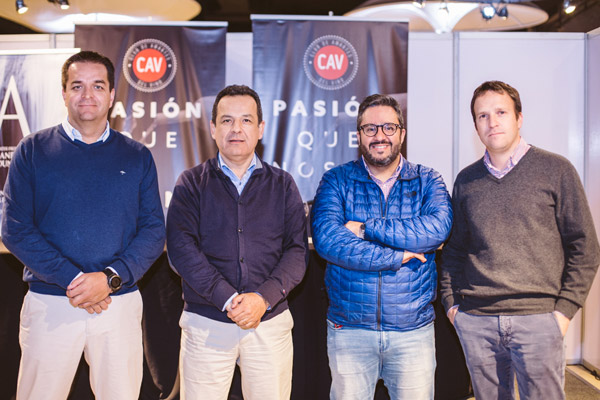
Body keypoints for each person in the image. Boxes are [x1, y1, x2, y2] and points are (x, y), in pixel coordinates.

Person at [1, 51, 166, 399]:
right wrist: (75, 281)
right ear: (63, 93)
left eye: (98, 86)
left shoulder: (137, 156)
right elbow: (15, 228)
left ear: (112, 95)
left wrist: (108, 279)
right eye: (77, 86)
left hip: (117, 303)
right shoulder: (32, 150)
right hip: (51, 302)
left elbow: (153, 230)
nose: (87, 95)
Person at [440, 80, 600, 400]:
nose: (492, 122)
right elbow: (454, 251)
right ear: (476, 126)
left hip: (539, 318)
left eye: (501, 112)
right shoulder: (466, 180)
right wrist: (452, 306)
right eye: (483, 116)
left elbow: (585, 247)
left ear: (519, 118)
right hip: (477, 320)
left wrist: (563, 312)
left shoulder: (556, 170)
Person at [166, 84, 307, 400]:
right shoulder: (191, 183)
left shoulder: (283, 185)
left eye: (246, 120)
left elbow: (297, 252)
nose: (236, 129)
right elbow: (181, 250)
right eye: (227, 120)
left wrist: (262, 298)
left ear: (260, 129)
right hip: (206, 324)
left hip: (269, 323)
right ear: (213, 128)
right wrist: (228, 298)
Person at [311, 94, 453, 399]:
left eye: (389, 127)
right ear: (359, 135)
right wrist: (396, 256)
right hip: (350, 331)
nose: (380, 136)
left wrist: (366, 228)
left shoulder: (428, 180)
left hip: (413, 332)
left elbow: (436, 230)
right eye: (370, 128)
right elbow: (328, 241)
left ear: (402, 133)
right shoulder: (336, 180)